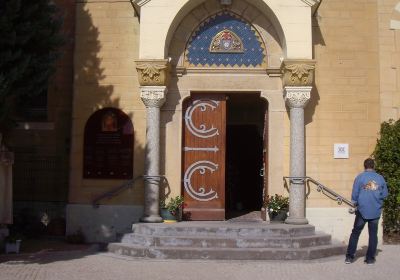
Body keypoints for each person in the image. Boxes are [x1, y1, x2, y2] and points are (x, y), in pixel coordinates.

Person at [345, 158, 388, 265]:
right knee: (373, 235)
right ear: (374, 166)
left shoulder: (360, 177)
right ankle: (370, 259)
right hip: (375, 211)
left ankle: (349, 257)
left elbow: (355, 194)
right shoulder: (380, 178)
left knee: (355, 233)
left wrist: (353, 204)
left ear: (365, 166)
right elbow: (385, 194)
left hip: (362, 210)